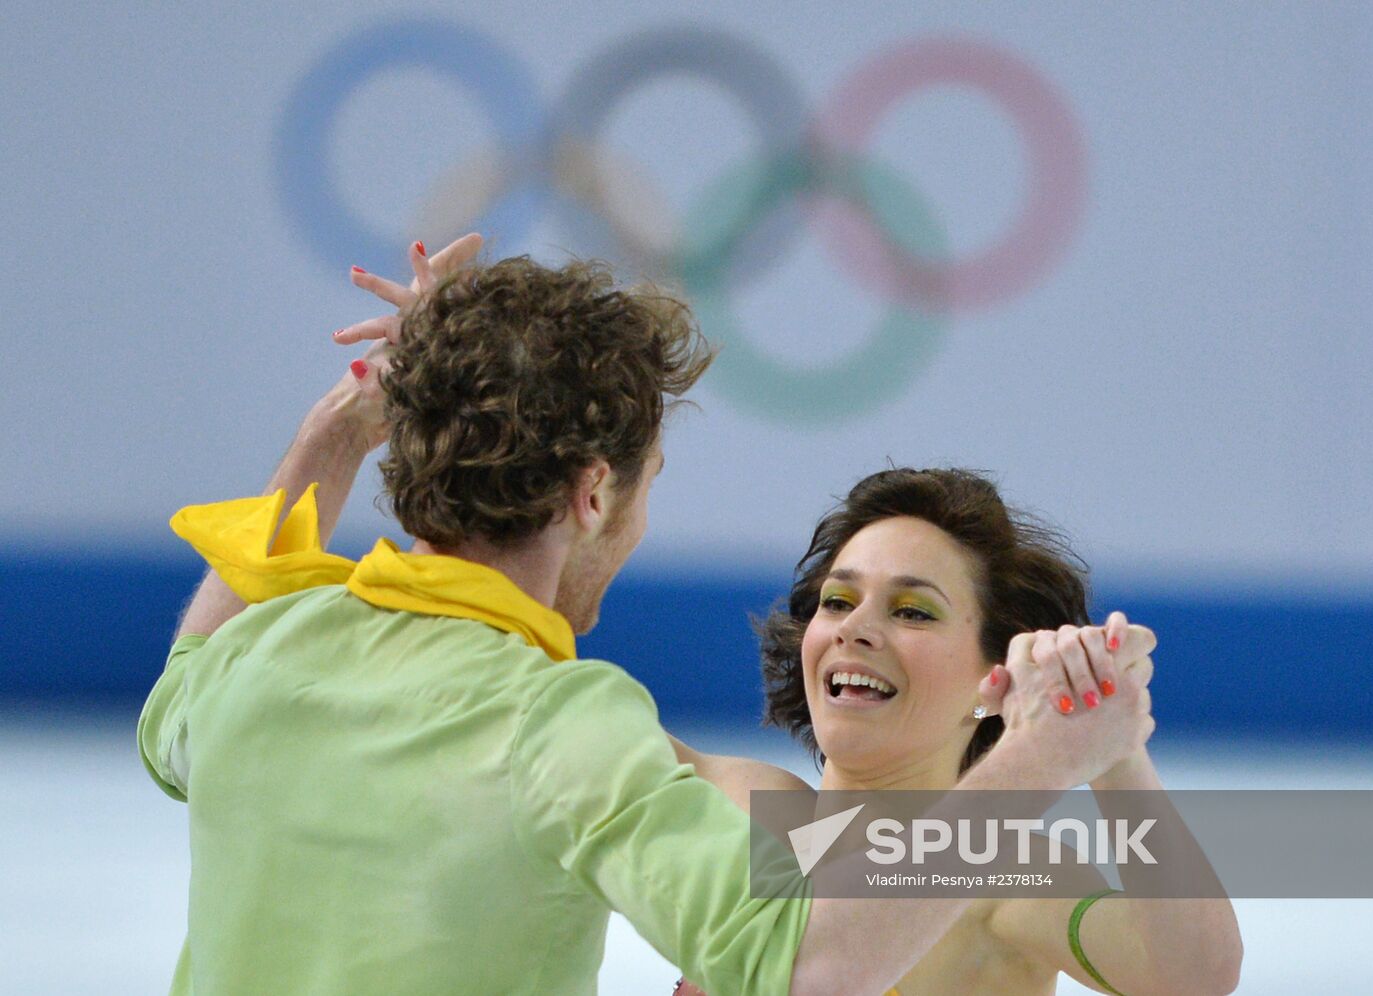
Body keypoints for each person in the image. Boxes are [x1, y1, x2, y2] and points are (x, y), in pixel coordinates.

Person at [139, 236, 1159, 995]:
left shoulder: (256, 658)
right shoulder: (564, 729)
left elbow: (182, 687)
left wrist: (336, 436)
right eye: (644, 484)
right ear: (592, 493)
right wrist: (1043, 755)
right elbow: (806, 968)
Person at [674, 468, 1243, 995]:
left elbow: (1195, 975)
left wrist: (1112, 746)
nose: (854, 628)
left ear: (994, 677)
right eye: (838, 600)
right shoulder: (737, 805)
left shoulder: (1004, 879)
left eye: (913, 611)